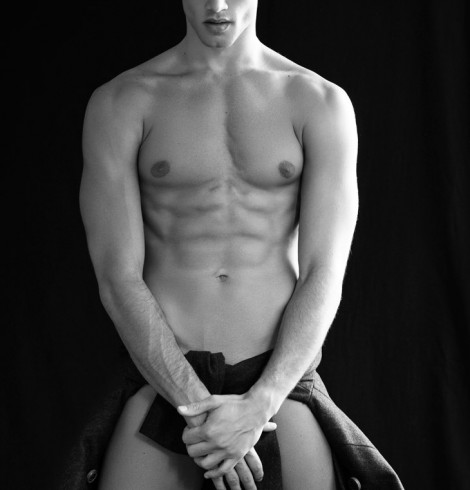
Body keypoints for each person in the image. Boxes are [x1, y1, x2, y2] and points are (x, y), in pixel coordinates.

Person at [74, 1, 403, 489]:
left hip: (277, 384)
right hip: (164, 379)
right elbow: (117, 277)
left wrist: (259, 405)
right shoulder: (122, 101)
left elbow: (324, 273)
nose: (218, 5)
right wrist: (198, 409)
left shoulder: (318, 101)